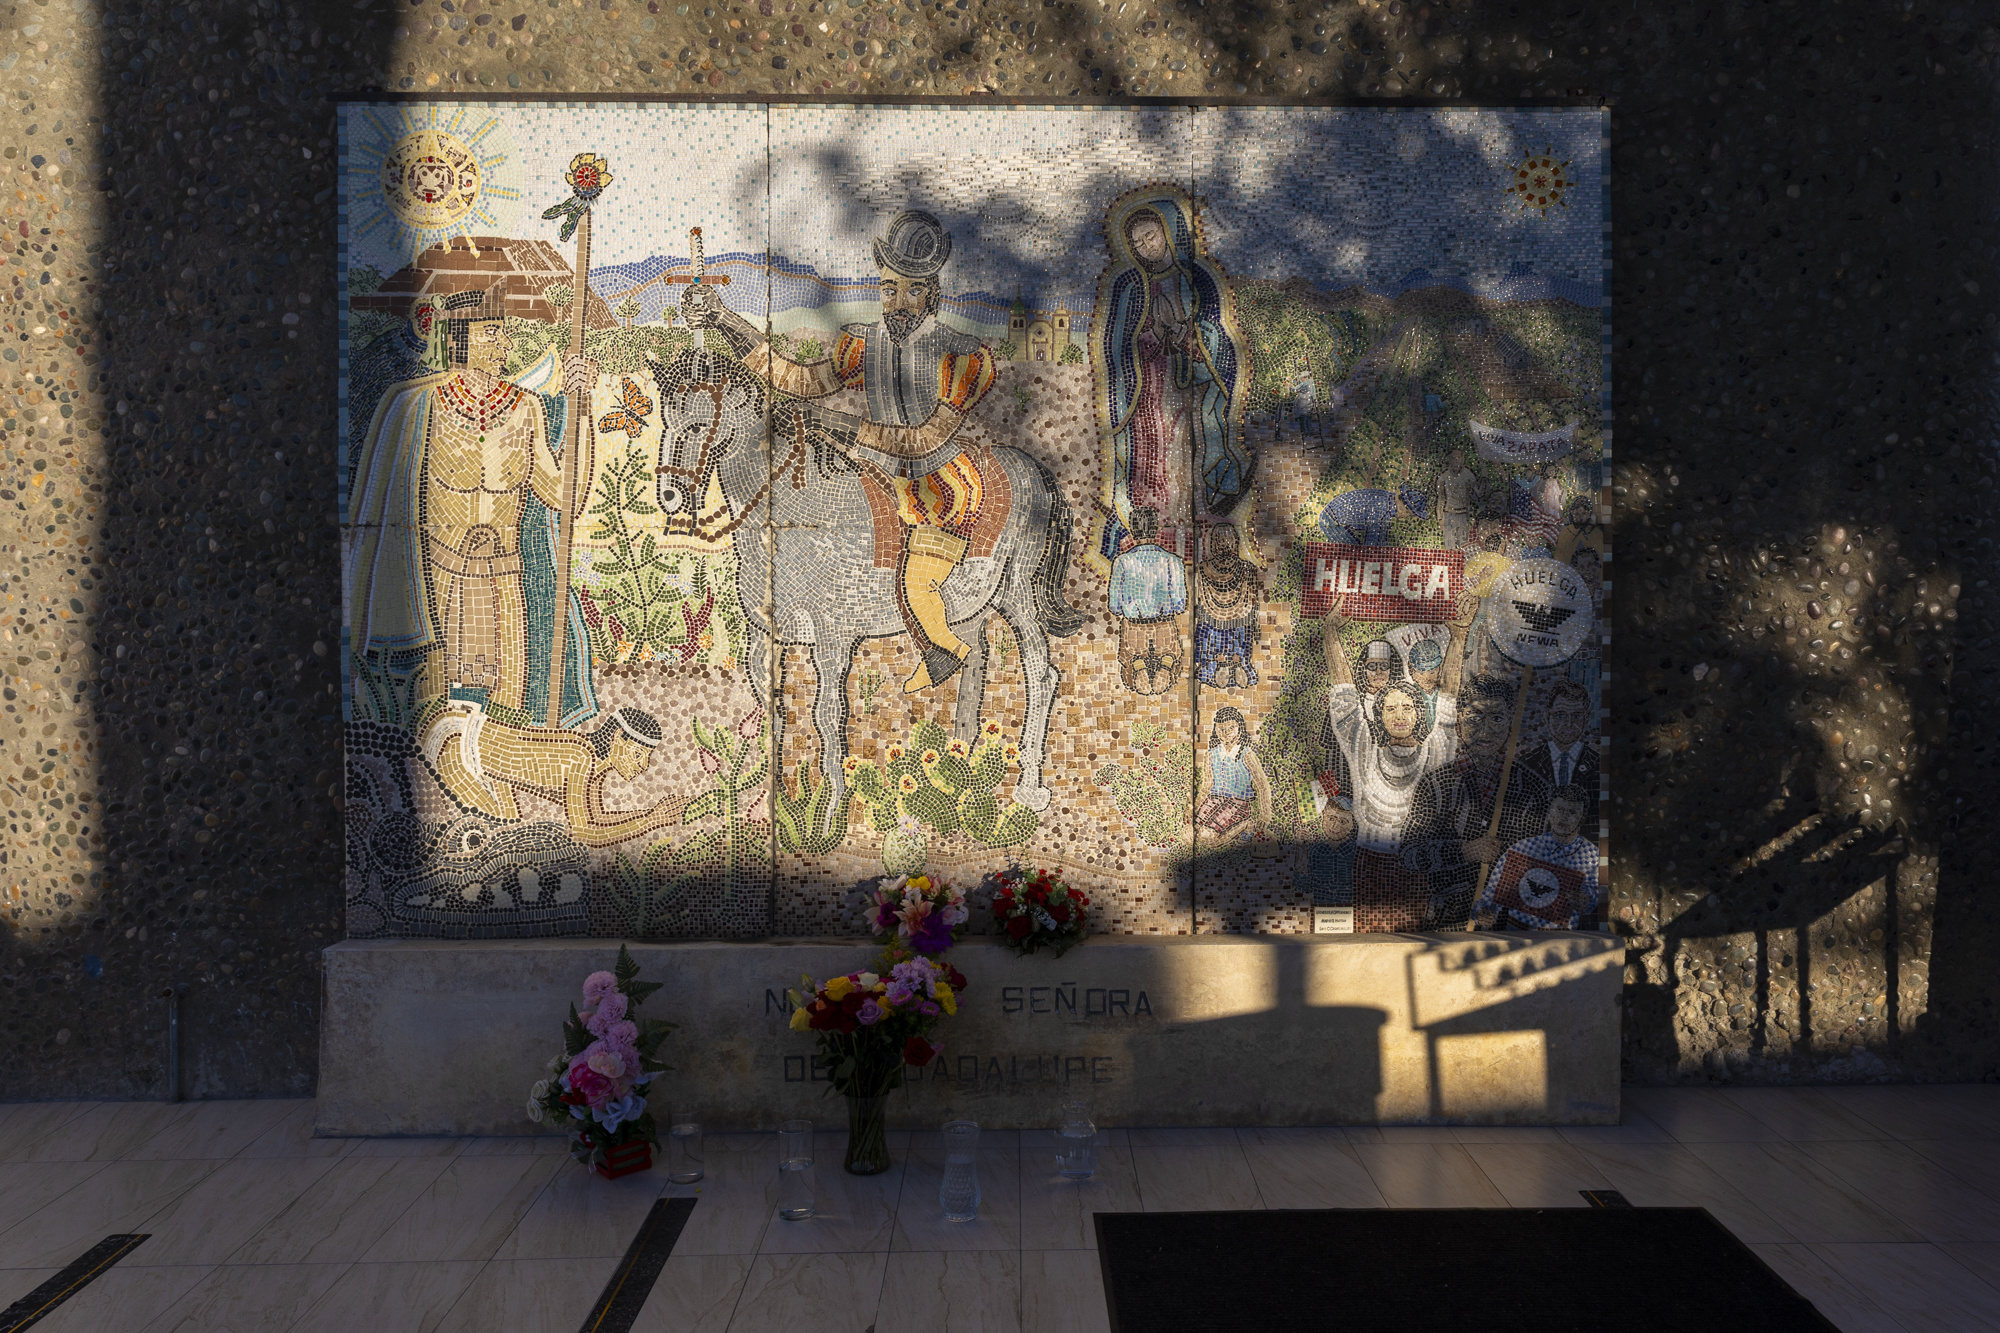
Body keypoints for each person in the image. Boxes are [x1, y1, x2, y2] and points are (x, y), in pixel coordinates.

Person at [681, 209, 998, 693]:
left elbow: (925, 439)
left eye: (912, 290)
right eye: (889, 289)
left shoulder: (962, 355)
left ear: (933, 292)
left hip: (939, 486)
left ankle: (947, 650)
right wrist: (723, 319)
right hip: (878, 473)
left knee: (916, 584)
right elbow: (798, 379)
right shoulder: (863, 343)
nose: (898, 303)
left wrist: (842, 426)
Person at [346, 280, 600, 727]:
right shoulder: (419, 406)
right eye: (492, 333)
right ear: (459, 340)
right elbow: (383, 505)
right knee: (435, 716)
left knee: (501, 717)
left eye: (504, 332)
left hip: (504, 586)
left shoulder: (526, 410)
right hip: (438, 584)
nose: (506, 345)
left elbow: (564, 497)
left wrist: (582, 408)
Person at [1095, 187, 1250, 561]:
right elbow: (1116, 342)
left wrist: (1193, 337)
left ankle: (1185, 527)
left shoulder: (1195, 280)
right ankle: (1146, 525)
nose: (1145, 247)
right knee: (1149, 454)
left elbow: (1217, 333)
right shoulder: (1130, 287)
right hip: (1145, 390)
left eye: (1150, 236)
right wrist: (1150, 338)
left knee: (1184, 452)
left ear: (1167, 231)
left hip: (1187, 387)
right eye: (1137, 243)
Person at [1322, 596, 1475, 931]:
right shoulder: (1364, 747)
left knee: (1413, 943)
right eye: (1391, 708)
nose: (1400, 714)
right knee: (1367, 941)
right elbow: (1344, 695)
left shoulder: (1435, 749)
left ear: (1420, 714)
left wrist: (1459, 636)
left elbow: (1448, 698)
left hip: (1417, 866)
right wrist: (1330, 634)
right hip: (1371, 862)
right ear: (1379, 716)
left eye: (1407, 707)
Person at [1400, 675, 1554, 930]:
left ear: (1510, 723)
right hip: (1449, 922)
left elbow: (1546, 861)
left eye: (1497, 718)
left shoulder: (1533, 788)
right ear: (1459, 722)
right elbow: (1409, 854)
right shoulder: (1435, 784)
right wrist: (1464, 851)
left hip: (1512, 923)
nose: (1485, 730)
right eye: (1474, 718)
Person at [421, 702, 684, 847]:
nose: (643, 765)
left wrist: (649, 815)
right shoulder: (580, 757)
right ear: (617, 738)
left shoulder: (595, 770)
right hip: (458, 741)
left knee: (507, 824)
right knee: (495, 832)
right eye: (638, 754)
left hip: (489, 766)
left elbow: (598, 819)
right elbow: (584, 833)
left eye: (646, 757)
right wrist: (650, 822)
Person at [1475, 784, 1599, 931]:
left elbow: (1593, 897)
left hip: (1561, 938)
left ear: (1582, 817)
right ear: (1550, 810)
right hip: (1516, 933)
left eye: (1572, 812)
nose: (1563, 817)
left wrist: (1585, 901)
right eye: (1559, 809)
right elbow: (1491, 894)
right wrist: (1481, 913)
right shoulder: (1523, 848)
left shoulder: (1592, 855)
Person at [1108, 505, 1188, 694]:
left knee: (1131, 653)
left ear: (1133, 531)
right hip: (1164, 624)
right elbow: (1180, 604)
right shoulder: (1173, 561)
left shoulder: (1122, 562)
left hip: (1134, 626)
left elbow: (1114, 606)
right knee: (1170, 651)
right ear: (1156, 529)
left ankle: (1139, 665)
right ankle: (1166, 663)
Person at [1521, 678, 1600, 831]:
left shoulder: (1597, 765)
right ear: (1547, 717)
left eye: (1576, 716)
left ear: (1586, 718)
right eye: (1560, 715)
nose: (1568, 724)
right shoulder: (1527, 764)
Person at [1193, 523, 1259, 689]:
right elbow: (1252, 605)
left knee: (1204, 624)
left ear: (1213, 543)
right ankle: (1238, 662)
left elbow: (1200, 603)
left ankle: (1216, 663)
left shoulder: (1202, 569)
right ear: (1235, 542)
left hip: (1212, 626)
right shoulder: (1248, 569)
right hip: (1239, 626)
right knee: (1244, 625)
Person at [1196, 706, 1273, 842]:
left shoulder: (1246, 755)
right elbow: (1207, 785)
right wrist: (1194, 807)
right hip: (1213, 801)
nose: (1226, 733)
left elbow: (1262, 785)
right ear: (1215, 730)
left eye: (1231, 728)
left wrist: (1265, 815)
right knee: (1191, 832)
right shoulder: (1211, 755)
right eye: (1221, 729)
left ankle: (1245, 824)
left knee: (1207, 837)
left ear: (1239, 727)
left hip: (1237, 804)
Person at [1436, 448, 1478, 550]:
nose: (1456, 460)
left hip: (1463, 514)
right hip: (1448, 513)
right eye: (1453, 458)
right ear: (1449, 459)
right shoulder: (1444, 477)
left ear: (1463, 459)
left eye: (1458, 457)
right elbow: (1441, 497)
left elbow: (1477, 494)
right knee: (1449, 545)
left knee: (1464, 544)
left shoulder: (1468, 475)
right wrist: (1440, 517)